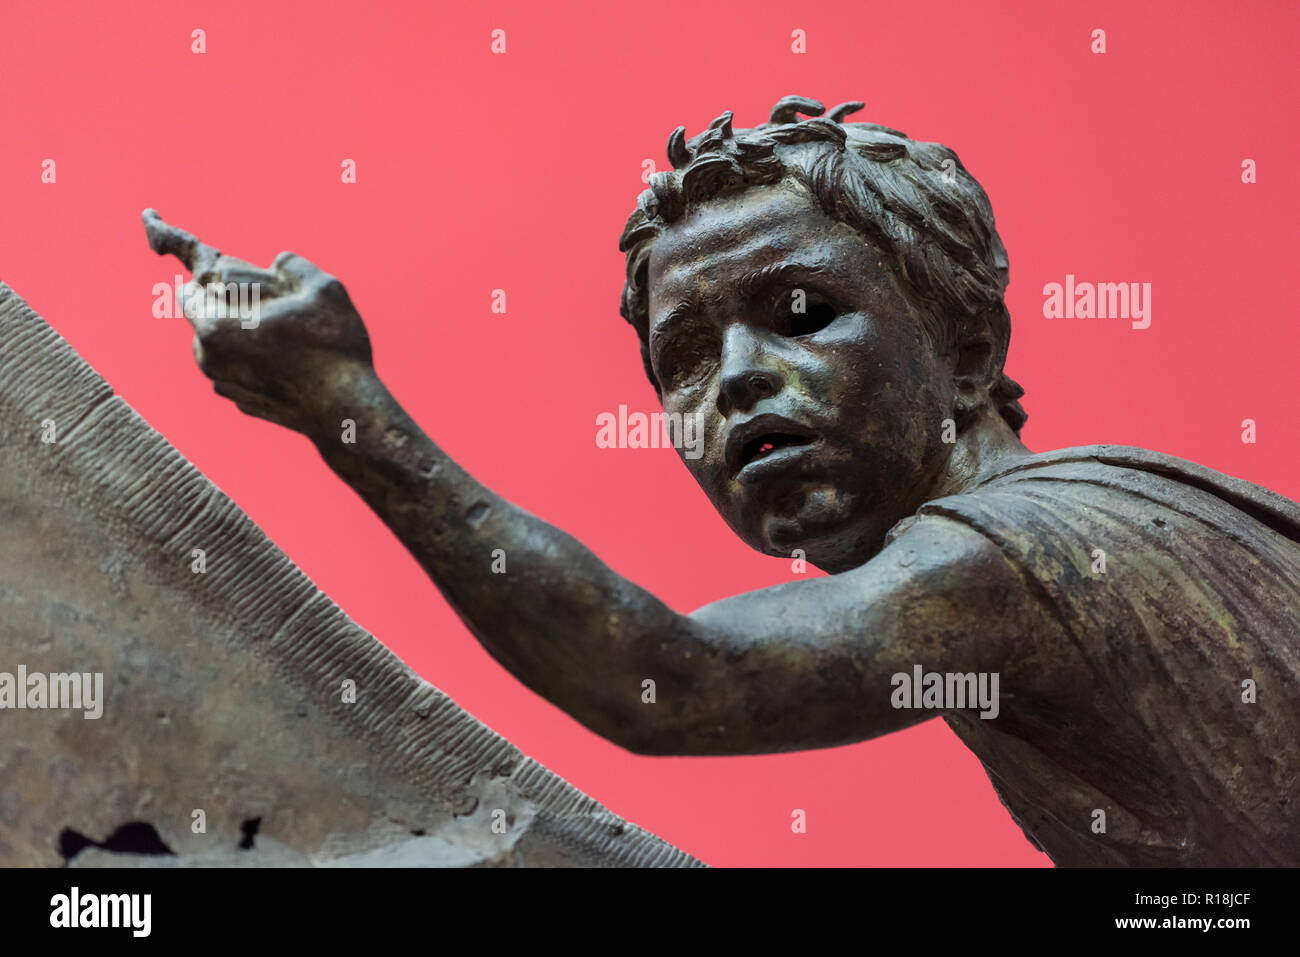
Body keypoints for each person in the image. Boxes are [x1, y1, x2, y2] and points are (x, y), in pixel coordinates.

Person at [143, 94, 1300, 866]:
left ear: (965, 347)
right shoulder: (1151, 521)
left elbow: (667, 682)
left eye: (802, 314)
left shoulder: (1009, 560)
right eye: (683, 362)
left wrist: (343, 406)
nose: (737, 382)